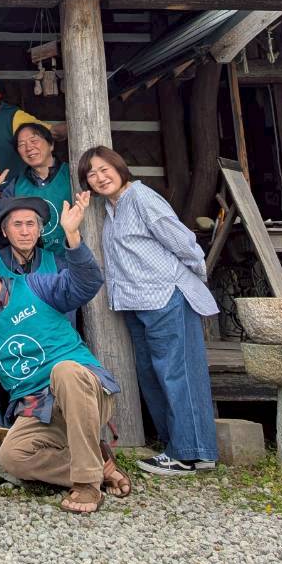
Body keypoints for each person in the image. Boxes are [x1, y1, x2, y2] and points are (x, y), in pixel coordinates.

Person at [0, 191, 133, 515]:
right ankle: (99, 466)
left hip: (82, 390)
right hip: (37, 407)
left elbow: (87, 284)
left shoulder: (35, 285)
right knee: (12, 456)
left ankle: (87, 486)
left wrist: (73, 236)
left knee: (64, 370)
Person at [80, 145, 219, 477]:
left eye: (104, 169)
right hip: (138, 301)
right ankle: (180, 447)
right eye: (91, 174)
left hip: (165, 296)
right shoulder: (112, 207)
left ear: (119, 167)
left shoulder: (141, 197)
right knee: (154, 375)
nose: (99, 178)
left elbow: (183, 242)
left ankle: (190, 454)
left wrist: (188, 278)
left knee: (177, 373)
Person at [0, 122, 72, 259]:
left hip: (71, 261)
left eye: (34, 141)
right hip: (34, 265)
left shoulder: (72, 175)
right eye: (21, 145)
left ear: (51, 144)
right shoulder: (17, 185)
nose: (28, 148)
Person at [0, 196, 70, 282]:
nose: (25, 232)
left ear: (39, 230)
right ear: (4, 230)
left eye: (30, 224)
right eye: (17, 225)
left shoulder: (56, 264)